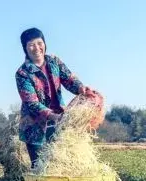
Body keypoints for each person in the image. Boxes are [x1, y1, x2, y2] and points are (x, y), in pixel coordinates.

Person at [15, 27, 96, 167]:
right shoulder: (22, 73)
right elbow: (31, 103)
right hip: (35, 127)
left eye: (39, 43)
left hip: (59, 120)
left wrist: (81, 88)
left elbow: (69, 79)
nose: (37, 48)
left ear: (44, 43)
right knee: (39, 167)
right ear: (25, 48)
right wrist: (53, 116)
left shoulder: (54, 61)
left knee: (58, 164)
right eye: (31, 45)